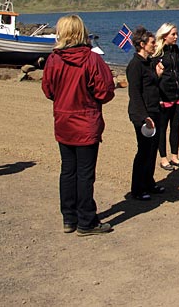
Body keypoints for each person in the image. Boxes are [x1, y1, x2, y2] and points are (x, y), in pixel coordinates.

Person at [42, 15, 115, 236]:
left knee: (68, 171)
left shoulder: (54, 60)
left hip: (64, 120)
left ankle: (69, 217)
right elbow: (104, 92)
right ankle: (86, 221)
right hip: (85, 122)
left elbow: (48, 90)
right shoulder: (92, 60)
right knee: (84, 174)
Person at [126, 26, 166, 200]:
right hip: (143, 115)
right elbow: (134, 93)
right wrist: (144, 117)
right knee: (143, 151)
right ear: (142, 44)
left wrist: (157, 75)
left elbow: (150, 87)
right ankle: (137, 189)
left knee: (152, 150)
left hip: (154, 110)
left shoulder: (149, 62)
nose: (154, 45)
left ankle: (149, 182)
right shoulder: (135, 65)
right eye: (151, 42)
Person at [153, 23, 179, 171]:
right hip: (164, 95)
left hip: (178, 94)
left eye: (176, 34)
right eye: (173, 34)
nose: (176, 37)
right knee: (162, 128)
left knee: (176, 127)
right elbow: (154, 77)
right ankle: (163, 158)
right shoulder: (157, 52)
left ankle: (175, 156)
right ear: (164, 35)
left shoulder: (176, 49)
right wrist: (158, 97)